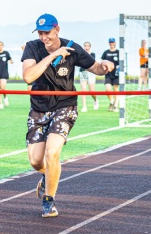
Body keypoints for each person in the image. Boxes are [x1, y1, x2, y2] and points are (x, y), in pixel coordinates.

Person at [22, 13, 114, 218]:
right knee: (36, 161)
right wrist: (53, 55)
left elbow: (96, 68)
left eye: (47, 32)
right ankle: (48, 176)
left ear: (57, 29)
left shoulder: (72, 48)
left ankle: (49, 200)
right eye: (40, 33)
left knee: (52, 153)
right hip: (39, 108)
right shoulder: (32, 47)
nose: (44, 37)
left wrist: (106, 64)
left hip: (65, 106)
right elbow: (28, 76)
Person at [101, 38, 120, 112]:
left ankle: (116, 105)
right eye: (110, 42)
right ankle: (111, 102)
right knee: (108, 89)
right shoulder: (106, 52)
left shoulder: (118, 52)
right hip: (108, 74)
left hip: (116, 74)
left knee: (115, 89)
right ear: (109, 43)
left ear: (115, 43)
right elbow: (102, 61)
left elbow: (122, 62)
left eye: (113, 42)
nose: (111, 43)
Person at [79, 42, 98, 112]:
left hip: (91, 73)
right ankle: (84, 106)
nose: (86, 47)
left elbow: (91, 63)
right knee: (83, 89)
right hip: (83, 72)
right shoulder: (81, 54)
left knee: (92, 91)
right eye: (85, 46)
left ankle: (95, 100)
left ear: (90, 47)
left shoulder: (92, 54)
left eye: (88, 46)